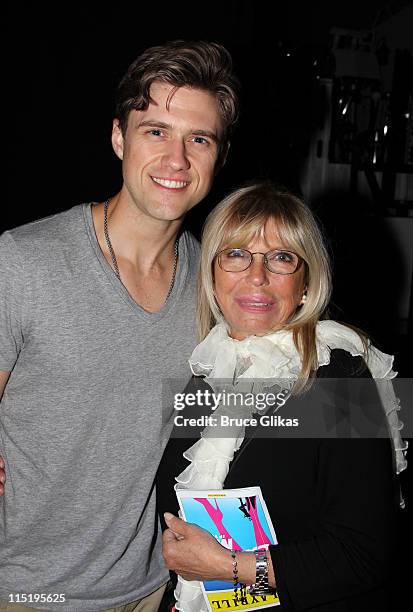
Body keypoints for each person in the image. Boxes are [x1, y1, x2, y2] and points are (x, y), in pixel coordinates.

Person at [0, 41, 240, 611]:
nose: (176, 159)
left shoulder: (217, 286)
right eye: (155, 131)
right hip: (28, 589)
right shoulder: (23, 260)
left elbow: (281, 407)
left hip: (153, 590)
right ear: (118, 138)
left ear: (218, 155)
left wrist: (378, 409)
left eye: (198, 139)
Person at [157, 182, 407, 611]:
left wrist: (228, 566)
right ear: (212, 275)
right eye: (236, 254)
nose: (258, 275)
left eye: (282, 258)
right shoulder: (206, 370)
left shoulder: (339, 377)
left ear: (306, 283)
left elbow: (366, 555)